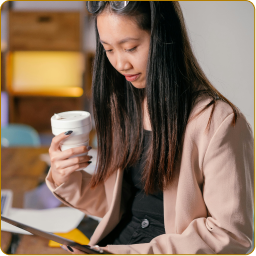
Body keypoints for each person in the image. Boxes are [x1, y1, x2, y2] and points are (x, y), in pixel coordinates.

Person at [46, 1, 254, 254]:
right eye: (108, 50)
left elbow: (230, 236)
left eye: (130, 47)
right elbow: (115, 206)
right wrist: (63, 175)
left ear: (164, 38)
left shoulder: (218, 122)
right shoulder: (126, 105)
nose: (120, 64)